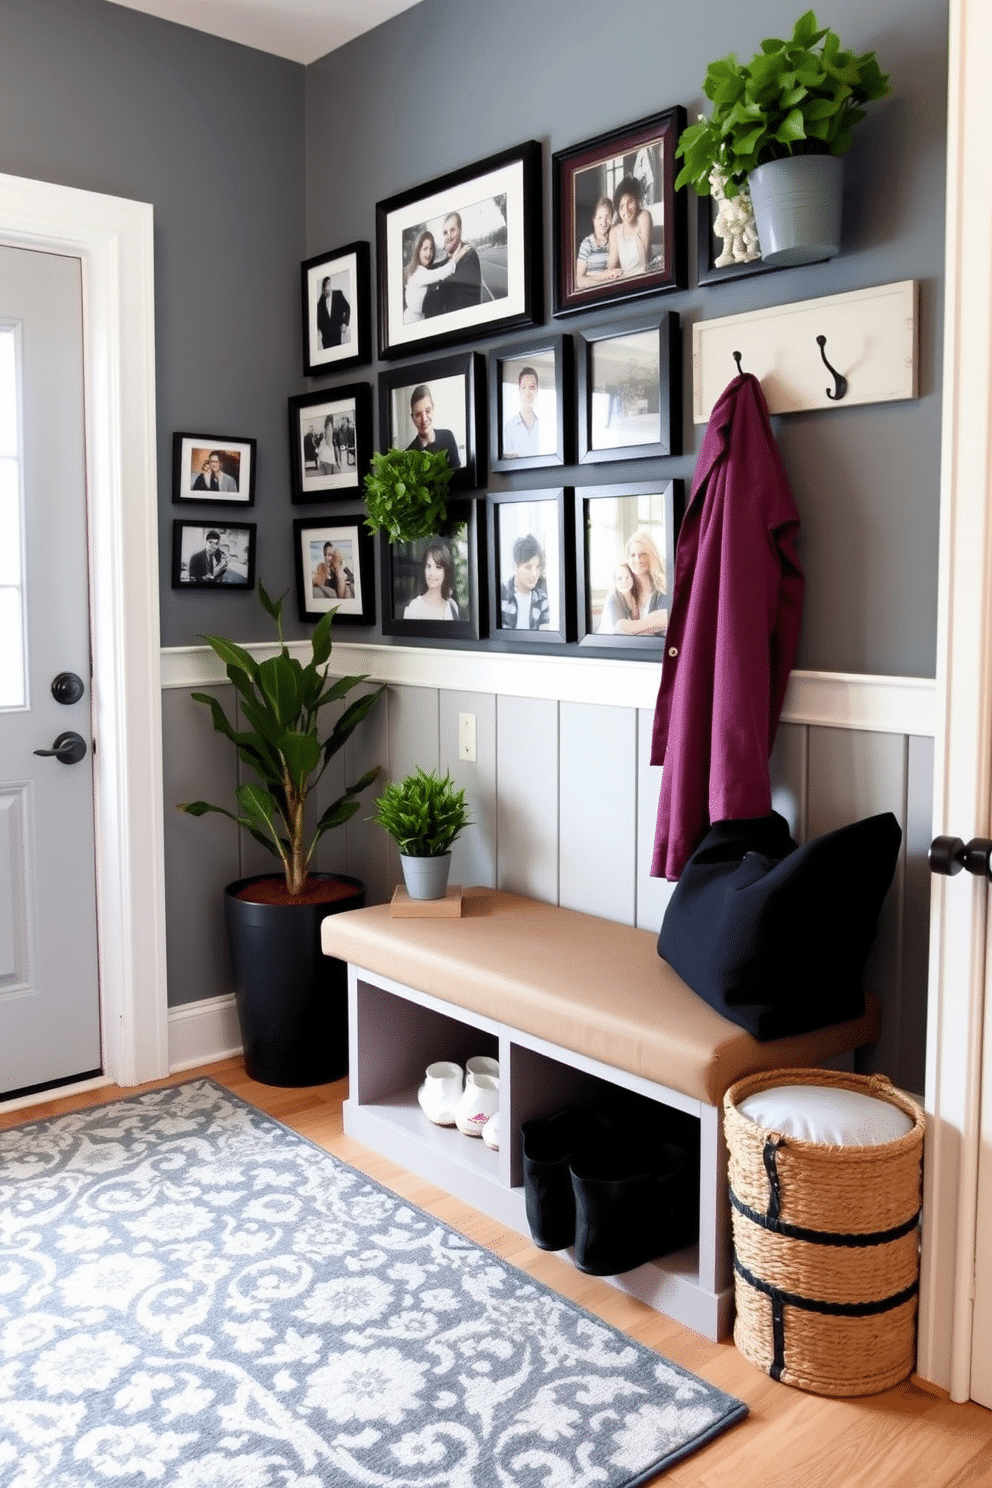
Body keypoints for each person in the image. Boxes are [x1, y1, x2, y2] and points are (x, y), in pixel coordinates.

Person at [424, 212, 482, 317]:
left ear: (460, 230)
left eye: (452, 230)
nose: (448, 236)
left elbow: (445, 285)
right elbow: (429, 270)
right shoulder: (450, 260)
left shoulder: (469, 254)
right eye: (445, 233)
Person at [403, 229, 467, 322]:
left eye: (431, 249)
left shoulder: (416, 268)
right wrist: (456, 257)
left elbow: (438, 266)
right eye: (425, 249)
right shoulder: (418, 273)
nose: (429, 253)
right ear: (418, 251)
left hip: (419, 317)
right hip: (412, 320)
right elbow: (440, 273)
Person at [613, 530, 667, 635]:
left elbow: (668, 618)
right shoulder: (618, 591)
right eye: (633, 555)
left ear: (652, 556)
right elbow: (618, 627)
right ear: (627, 558)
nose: (637, 560)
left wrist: (632, 627)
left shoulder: (662, 588)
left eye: (643, 554)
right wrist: (652, 624)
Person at [501, 533, 551, 630]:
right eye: (528, 567)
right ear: (515, 567)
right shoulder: (500, 592)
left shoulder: (542, 599)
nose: (534, 574)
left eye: (537, 567)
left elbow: (545, 637)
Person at [575, 196, 624, 292]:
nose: (604, 222)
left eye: (608, 217)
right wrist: (606, 276)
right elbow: (579, 281)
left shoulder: (614, 240)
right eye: (600, 217)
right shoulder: (586, 244)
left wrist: (592, 276)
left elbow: (619, 273)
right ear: (594, 220)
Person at [607, 176, 652, 278]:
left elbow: (644, 261)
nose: (626, 210)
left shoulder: (644, 216)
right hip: (626, 282)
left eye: (630, 202)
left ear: (637, 201)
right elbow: (611, 268)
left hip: (645, 278)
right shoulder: (615, 231)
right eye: (621, 206)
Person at [406, 384, 461, 468]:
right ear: (412, 418)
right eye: (418, 415)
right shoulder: (408, 454)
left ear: (433, 409)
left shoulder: (448, 436)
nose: (424, 419)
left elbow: (458, 473)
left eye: (427, 411)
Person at [402, 540, 460, 620]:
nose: (431, 573)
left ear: (446, 572)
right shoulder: (415, 608)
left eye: (438, 567)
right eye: (428, 566)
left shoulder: (452, 606)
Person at [502, 366, 541, 459]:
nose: (528, 392)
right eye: (524, 387)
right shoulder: (508, 429)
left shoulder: (545, 426)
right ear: (519, 390)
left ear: (537, 390)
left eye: (532, 387)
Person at [596, 562, 638, 634]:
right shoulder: (612, 598)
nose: (624, 581)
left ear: (632, 578)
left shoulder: (633, 595)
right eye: (620, 578)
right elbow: (621, 630)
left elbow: (636, 621)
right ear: (615, 582)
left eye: (627, 577)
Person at [316, 275, 350, 349]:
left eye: (329, 284)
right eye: (325, 286)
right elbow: (319, 319)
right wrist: (321, 331)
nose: (327, 288)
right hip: (326, 339)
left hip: (336, 334)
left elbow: (347, 308)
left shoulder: (338, 294)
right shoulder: (321, 301)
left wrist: (345, 323)